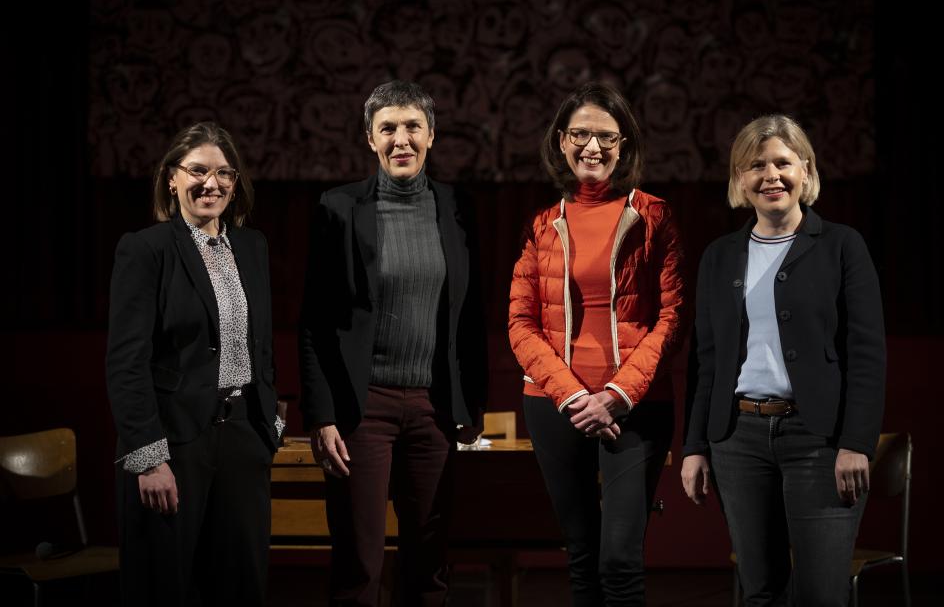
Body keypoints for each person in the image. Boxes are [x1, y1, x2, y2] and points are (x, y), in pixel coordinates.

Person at [681, 115, 885, 606]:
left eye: (782, 163)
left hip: (819, 441)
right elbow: (705, 360)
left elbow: (867, 353)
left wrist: (856, 443)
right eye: (755, 165)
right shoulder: (719, 256)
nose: (770, 175)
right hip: (738, 440)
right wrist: (695, 446)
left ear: (806, 171)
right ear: (739, 180)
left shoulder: (841, 245)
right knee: (761, 591)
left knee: (820, 595)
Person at [299, 80, 487, 606]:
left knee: (428, 565)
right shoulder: (337, 208)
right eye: (388, 129)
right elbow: (314, 320)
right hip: (363, 410)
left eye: (411, 127)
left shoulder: (457, 207)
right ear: (369, 138)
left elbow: (470, 314)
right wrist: (321, 414)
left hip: (433, 409)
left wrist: (473, 402)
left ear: (432, 135)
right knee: (359, 565)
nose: (400, 139)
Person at [508, 82, 686, 606]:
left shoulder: (655, 216)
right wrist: (571, 396)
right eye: (580, 134)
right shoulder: (543, 224)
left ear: (624, 144)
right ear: (561, 142)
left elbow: (672, 318)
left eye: (606, 136)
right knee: (582, 558)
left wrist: (615, 394)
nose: (593, 146)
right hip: (555, 406)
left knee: (620, 561)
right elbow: (520, 324)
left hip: (637, 405)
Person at [106, 122, 281, 605]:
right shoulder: (146, 249)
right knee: (166, 585)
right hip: (174, 444)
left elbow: (261, 344)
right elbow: (126, 362)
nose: (213, 183)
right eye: (198, 171)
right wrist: (149, 457)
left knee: (242, 584)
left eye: (225, 173)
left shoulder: (253, 246)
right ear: (171, 178)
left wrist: (271, 421)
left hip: (244, 438)